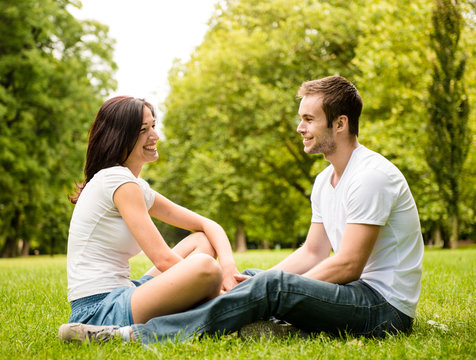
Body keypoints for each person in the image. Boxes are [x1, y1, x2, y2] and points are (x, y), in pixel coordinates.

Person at [59, 76, 423, 344]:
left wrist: (267, 289)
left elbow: (348, 265)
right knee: (252, 277)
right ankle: (252, 315)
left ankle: (133, 335)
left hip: (381, 307)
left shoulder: (371, 176)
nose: (299, 128)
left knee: (267, 285)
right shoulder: (325, 181)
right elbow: (313, 252)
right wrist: (252, 281)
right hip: (353, 293)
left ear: (340, 123)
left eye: (309, 119)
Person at [58, 96, 240, 340]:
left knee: (201, 242)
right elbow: (164, 259)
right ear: (119, 136)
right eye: (143, 130)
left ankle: (200, 305)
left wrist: (228, 268)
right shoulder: (117, 179)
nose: (154, 136)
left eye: (153, 126)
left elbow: (207, 225)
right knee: (206, 268)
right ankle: (118, 334)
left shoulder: (134, 184)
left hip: (125, 293)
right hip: (98, 311)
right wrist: (220, 290)